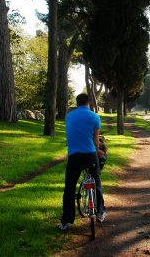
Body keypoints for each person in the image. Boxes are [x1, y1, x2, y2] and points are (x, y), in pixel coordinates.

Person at [59, 93, 106, 231]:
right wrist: (98, 151)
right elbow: (95, 139)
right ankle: (100, 212)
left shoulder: (69, 117)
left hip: (74, 156)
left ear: (77, 103)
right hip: (90, 155)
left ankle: (66, 220)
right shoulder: (94, 117)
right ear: (89, 103)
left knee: (69, 188)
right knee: (96, 181)